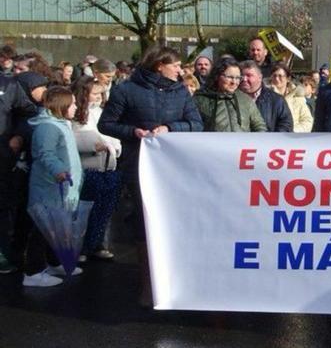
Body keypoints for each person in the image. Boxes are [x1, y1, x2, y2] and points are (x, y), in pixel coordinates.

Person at [98, 45, 203, 306]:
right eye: (176, 65)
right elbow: (106, 124)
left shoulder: (180, 92)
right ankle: (147, 285)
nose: (180, 70)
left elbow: (196, 124)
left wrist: (170, 127)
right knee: (144, 221)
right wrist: (133, 131)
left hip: (174, 167)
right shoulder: (126, 90)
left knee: (173, 220)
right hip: (139, 164)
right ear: (160, 66)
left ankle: (174, 281)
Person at [23, 86, 82, 287]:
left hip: (61, 188)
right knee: (42, 230)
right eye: (72, 103)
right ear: (62, 105)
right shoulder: (48, 127)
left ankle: (56, 262)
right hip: (49, 187)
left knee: (56, 228)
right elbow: (45, 153)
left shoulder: (60, 124)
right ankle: (33, 272)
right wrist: (59, 171)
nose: (75, 107)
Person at [71, 77, 122, 262]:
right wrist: (95, 144)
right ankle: (81, 247)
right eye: (95, 93)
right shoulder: (77, 115)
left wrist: (114, 146)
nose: (99, 97)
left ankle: (96, 243)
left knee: (104, 211)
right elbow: (75, 139)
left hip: (109, 166)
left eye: (101, 93)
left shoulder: (103, 112)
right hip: (89, 168)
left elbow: (112, 135)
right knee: (85, 211)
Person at [0, 71, 37, 273]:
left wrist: (19, 135)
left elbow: (28, 112)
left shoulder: (8, 84)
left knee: (3, 208)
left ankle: (3, 254)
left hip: (2, 158)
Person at [194, 59, 267, 133]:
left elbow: (260, 127)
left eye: (238, 78)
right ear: (217, 76)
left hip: (241, 144)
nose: (234, 82)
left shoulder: (245, 100)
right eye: (229, 77)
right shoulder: (200, 100)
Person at [238, 61, 292, 132]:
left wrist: (271, 140)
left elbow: (286, 125)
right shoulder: (232, 98)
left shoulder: (276, 100)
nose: (244, 79)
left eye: (249, 75)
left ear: (260, 77)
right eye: (242, 75)